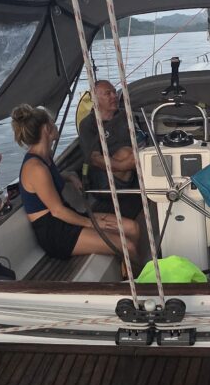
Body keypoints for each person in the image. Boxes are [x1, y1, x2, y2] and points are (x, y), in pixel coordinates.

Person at [12, 104, 139, 263]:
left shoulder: (44, 156)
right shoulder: (35, 168)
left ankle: (130, 271)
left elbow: (48, 180)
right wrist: (92, 224)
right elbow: (58, 211)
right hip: (55, 232)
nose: (55, 125)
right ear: (46, 129)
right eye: (52, 122)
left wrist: (70, 176)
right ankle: (141, 277)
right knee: (128, 246)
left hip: (67, 218)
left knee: (132, 228)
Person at [78, 80, 143, 218]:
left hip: (133, 170)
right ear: (95, 99)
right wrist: (123, 165)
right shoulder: (88, 125)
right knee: (126, 153)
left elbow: (141, 139)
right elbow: (95, 158)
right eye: (108, 93)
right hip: (104, 179)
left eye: (114, 92)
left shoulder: (125, 115)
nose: (114, 96)